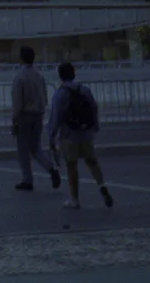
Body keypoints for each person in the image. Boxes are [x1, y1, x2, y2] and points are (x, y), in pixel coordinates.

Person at [46, 61, 111, 209]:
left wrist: (51, 136)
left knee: (72, 166)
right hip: (86, 133)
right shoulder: (85, 90)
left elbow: (55, 118)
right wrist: (95, 127)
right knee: (92, 161)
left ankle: (75, 199)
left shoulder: (60, 94)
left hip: (69, 135)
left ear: (60, 76)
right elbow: (94, 108)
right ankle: (101, 185)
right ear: (74, 74)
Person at [11, 45, 61, 191]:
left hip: (24, 115)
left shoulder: (19, 77)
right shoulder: (39, 76)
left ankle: (27, 179)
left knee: (23, 149)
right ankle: (51, 168)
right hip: (38, 114)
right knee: (35, 147)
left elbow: (17, 102)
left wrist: (15, 119)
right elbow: (44, 98)